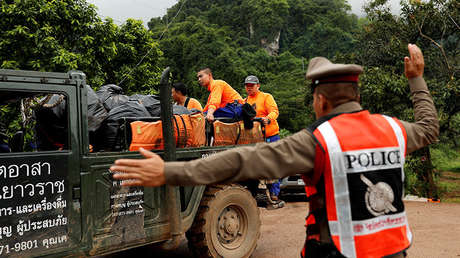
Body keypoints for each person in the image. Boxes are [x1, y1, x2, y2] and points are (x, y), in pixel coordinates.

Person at [111, 44, 439, 258]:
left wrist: (169, 171)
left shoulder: (318, 141)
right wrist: (417, 80)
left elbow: (242, 161)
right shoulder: (395, 129)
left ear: (320, 100)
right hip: (397, 251)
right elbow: (428, 128)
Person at [244, 75, 282, 201]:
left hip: (270, 135)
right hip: (254, 138)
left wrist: (268, 119)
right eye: (247, 85)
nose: (249, 88)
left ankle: (274, 192)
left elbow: (275, 111)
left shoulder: (266, 97)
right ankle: (256, 192)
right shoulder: (245, 101)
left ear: (258, 86)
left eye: (252, 85)